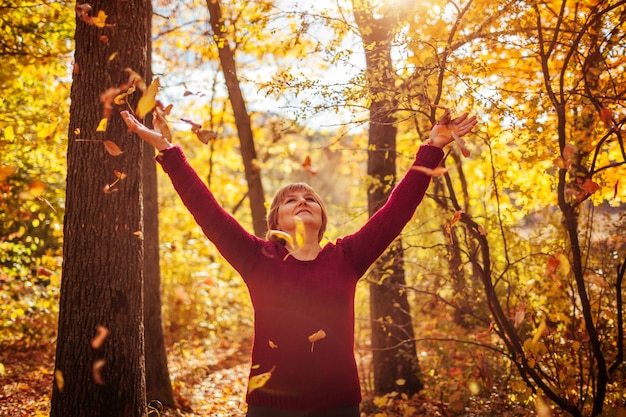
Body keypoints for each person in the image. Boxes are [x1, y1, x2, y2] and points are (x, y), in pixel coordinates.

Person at [121, 109, 477, 417]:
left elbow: (396, 211)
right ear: (276, 220)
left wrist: (433, 148)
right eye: (291, 200)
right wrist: (166, 149)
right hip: (269, 407)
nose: (302, 201)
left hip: (338, 406)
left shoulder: (348, 257)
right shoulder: (256, 259)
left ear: (322, 217)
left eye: (310, 198)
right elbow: (207, 210)